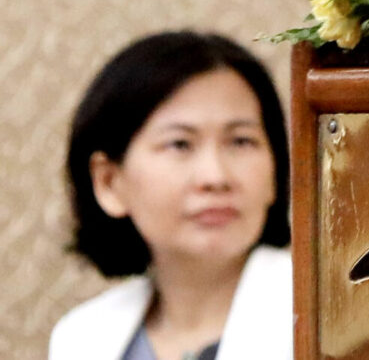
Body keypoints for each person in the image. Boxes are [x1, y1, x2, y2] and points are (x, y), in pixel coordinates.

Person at [52, 32, 294, 360]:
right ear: (109, 182)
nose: (215, 177)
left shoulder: (330, 315)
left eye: (241, 141)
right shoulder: (81, 337)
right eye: (180, 144)